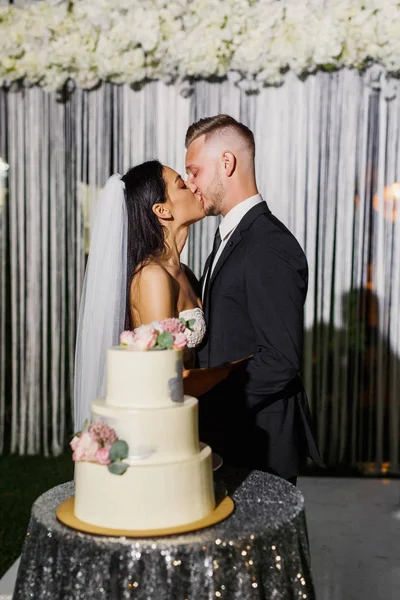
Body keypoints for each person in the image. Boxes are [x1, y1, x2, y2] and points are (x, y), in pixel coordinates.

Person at [185, 114, 323, 483]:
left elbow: (279, 359)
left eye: (195, 171)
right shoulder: (230, 236)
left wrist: (202, 400)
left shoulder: (268, 243)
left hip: (258, 444)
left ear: (226, 163)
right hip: (233, 435)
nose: (190, 183)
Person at [74, 160, 243, 431]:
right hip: (161, 424)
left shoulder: (185, 274)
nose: (191, 185)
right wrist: (224, 372)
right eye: (181, 184)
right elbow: (164, 370)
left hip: (194, 413)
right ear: (162, 210)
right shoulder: (152, 277)